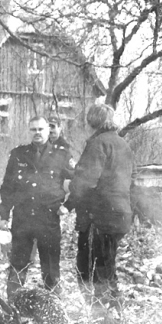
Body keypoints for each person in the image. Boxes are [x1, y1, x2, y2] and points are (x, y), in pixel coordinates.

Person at [66, 103, 134, 309]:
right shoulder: (122, 144)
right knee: (106, 267)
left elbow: (86, 182)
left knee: (91, 270)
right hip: (120, 215)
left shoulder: (97, 144)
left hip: (100, 218)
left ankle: (103, 318)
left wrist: (67, 204)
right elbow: (131, 178)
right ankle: (113, 314)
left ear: (91, 122)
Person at [0, 115, 74, 296]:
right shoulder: (18, 154)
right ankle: (14, 309)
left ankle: (54, 312)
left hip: (48, 218)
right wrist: (4, 214)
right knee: (17, 265)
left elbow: (79, 182)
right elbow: (7, 186)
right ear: (29, 131)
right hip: (22, 218)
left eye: (41, 129)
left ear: (49, 130)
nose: (37, 133)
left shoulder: (62, 155)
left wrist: (68, 205)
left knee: (51, 269)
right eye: (33, 129)